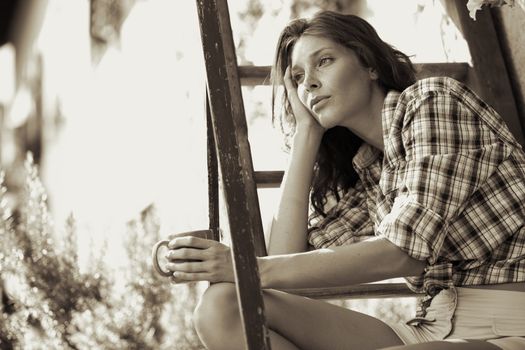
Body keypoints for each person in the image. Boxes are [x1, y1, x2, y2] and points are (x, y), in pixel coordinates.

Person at [164, 10, 525, 350]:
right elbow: (282, 259)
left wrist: (245, 267)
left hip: (510, 323)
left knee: (244, 282)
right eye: (299, 78)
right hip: (429, 327)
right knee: (223, 306)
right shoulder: (372, 170)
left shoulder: (432, 102)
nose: (311, 84)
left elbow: (404, 252)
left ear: (368, 63)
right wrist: (307, 132)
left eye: (323, 61)